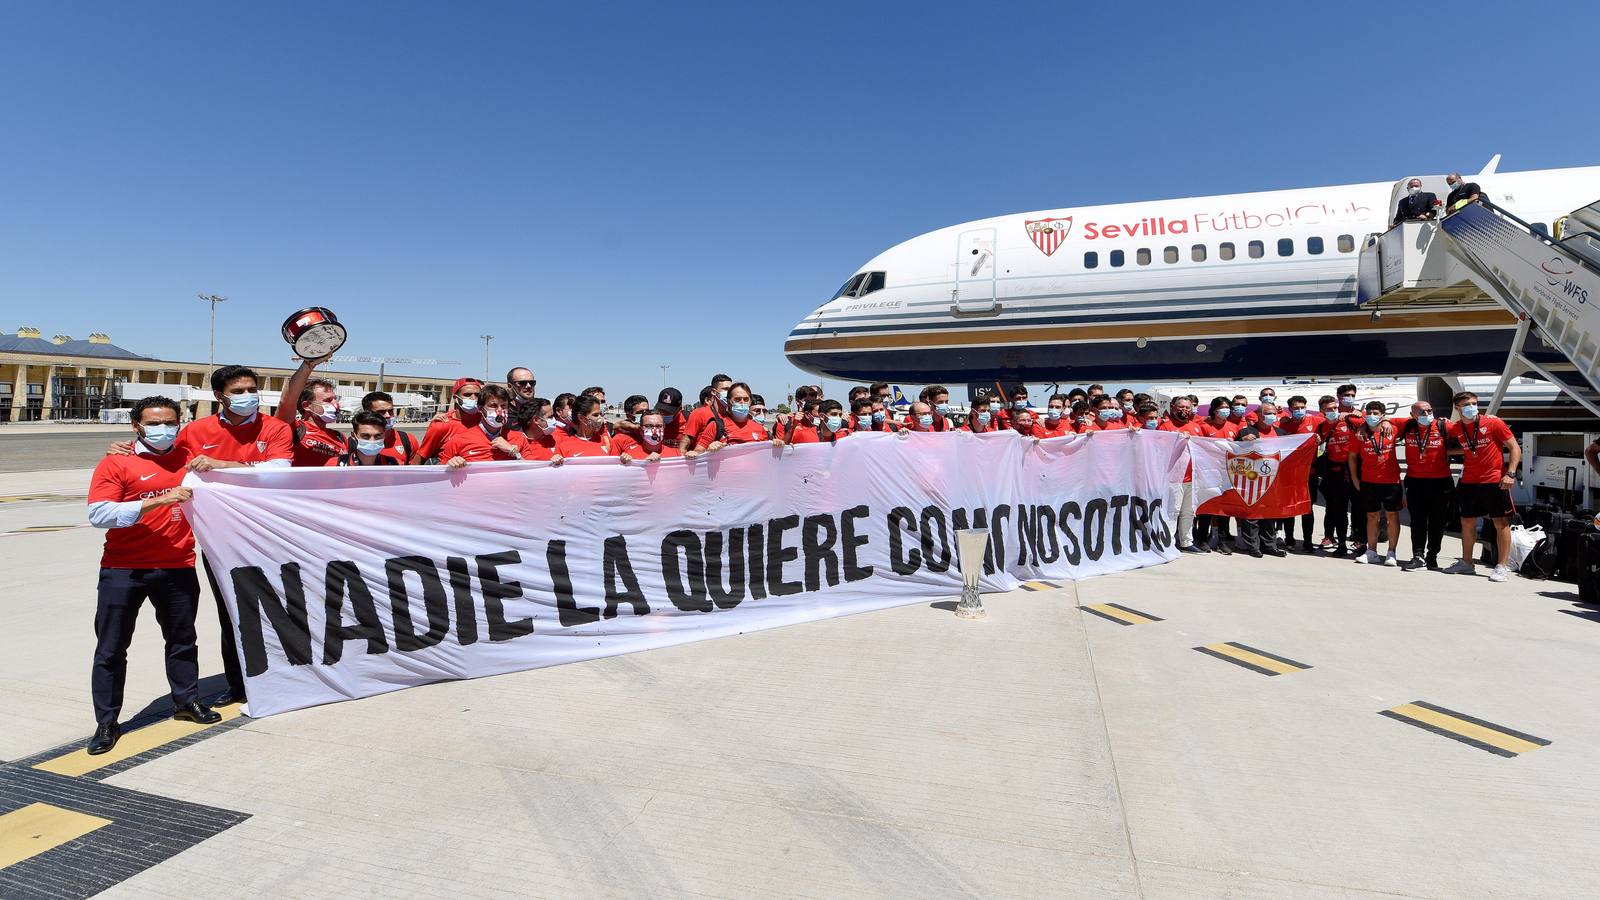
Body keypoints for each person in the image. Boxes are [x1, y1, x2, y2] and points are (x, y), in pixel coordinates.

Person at [86, 396, 219, 754]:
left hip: (177, 565)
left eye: (169, 423)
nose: (163, 429)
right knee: (111, 648)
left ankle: (185, 700)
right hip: (123, 568)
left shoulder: (188, 457)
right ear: (137, 426)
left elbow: (243, 463)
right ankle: (106, 721)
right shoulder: (117, 462)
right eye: (154, 423)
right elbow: (99, 515)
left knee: (182, 639)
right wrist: (158, 501)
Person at [1445, 391, 1520, 581]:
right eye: (1467, 404)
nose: (1472, 407)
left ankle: (1502, 566)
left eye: (1474, 403)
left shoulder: (1494, 423)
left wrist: (1510, 473)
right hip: (1469, 481)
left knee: (1500, 523)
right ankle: (1467, 563)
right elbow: (1469, 446)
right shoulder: (1456, 428)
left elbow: (1514, 448)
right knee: (1467, 521)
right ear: (1457, 408)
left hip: (1494, 480)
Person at [1399, 400, 1452, 571]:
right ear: (1413, 414)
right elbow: (1381, 422)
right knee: (1417, 521)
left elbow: (1467, 437)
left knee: (1437, 522)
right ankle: (1418, 555)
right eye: (1422, 412)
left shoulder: (1444, 426)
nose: (1427, 415)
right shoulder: (1407, 426)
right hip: (1415, 482)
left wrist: (1447, 451)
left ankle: (1432, 556)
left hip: (1441, 482)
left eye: (1429, 410)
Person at [1349, 401, 1403, 566]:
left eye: (1376, 414)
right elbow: (1351, 456)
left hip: (1391, 481)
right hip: (1368, 481)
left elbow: (1411, 420)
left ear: (1383, 415)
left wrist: (1388, 422)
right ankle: (1371, 551)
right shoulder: (1359, 434)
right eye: (1370, 413)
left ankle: (1391, 552)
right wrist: (1355, 479)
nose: (1372, 416)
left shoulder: (1391, 429)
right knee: (1371, 516)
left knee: (1391, 516)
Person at [1231, 405, 1286, 558]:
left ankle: (1270, 545)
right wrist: (1241, 441)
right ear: (1259, 415)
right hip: (1252, 479)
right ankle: (1253, 546)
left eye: (1274, 413)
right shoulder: (1246, 432)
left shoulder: (1281, 433)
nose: (1272, 416)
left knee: (1269, 513)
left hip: (1273, 479)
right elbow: (1233, 451)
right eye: (1268, 413)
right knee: (1252, 514)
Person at [441, 385, 546, 465]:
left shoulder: (519, 438)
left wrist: (513, 452)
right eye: (493, 405)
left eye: (503, 406)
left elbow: (531, 471)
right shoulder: (459, 440)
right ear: (481, 408)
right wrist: (451, 464)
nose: (500, 410)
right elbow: (441, 475)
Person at [274, 355, 345, 467]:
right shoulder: (293, 428)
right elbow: (286, 400)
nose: (336, 405)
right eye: (328, 400)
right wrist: (308, 365)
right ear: (307, 406)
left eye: (335, 399)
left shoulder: (340, 437)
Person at [1159, 396, 1206, 553]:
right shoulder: (1165, 426)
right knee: (1173, 510)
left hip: (1193, 477)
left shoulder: (1196, 427)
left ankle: (1186, 542)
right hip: (1173, 477)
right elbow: (1159, 449)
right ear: (1173, 408)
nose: (1184, 410)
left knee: (1189, 511)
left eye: (1187, 407)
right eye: (1181, 407)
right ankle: (1169, 542)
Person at [1275, 395, 1319, 552]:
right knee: (1289, 506)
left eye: (1302, 407)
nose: (1300, 410)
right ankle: (1289, 539)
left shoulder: (1315, 421)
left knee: (1308, 506)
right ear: (1290, 410)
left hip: (1309, 471)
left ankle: (1308, 541)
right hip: (1288, 472)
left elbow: (1332, 424)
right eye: (1296, 408)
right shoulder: (1283, 424)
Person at [1196, 395, 1239, 553]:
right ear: (1214, 410)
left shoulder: (1233, 427)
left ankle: (1222, 541)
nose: (1225, 411)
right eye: (1222, 408)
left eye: (1227, 407)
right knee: (1207, 506)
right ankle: (1202, 539)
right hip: (1208, 472)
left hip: (1227, 473)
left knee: (1224, 509)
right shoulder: (1204, 426)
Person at [414, 378, 483, 463]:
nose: (473, 398)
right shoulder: (441, 425)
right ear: (455, 398)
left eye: (477, 395)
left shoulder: (486, 422)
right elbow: (419, 459)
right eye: (467, 394)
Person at [691, 382, 769, 454]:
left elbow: (766, 455)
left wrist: (777, 445)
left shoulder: (760, 429)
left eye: (746, 399)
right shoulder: (716, 426)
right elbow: (697, 453)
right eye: (737, 399)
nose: (742, 402)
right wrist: (709, 449)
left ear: (750, 402)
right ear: (728, 402)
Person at [360, 391, 416, 464]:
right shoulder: (356, 442)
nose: (388, 415)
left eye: (391, 411)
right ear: (367, 414)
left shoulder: (407, 440)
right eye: (381, 412)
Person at [615, 409, 683, 463]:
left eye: (658, 426)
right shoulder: (629, 457)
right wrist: (644, 464)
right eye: (649, 426)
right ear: (641, 431)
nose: (654, 430)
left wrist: (692, 460)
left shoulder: (676, 455)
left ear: (664, 429)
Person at [679, 385, 726, 453]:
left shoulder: (729, 413)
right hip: (702, 459)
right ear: (707, 400)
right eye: (725, 389)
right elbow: (686, 441)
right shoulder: (699, 413)